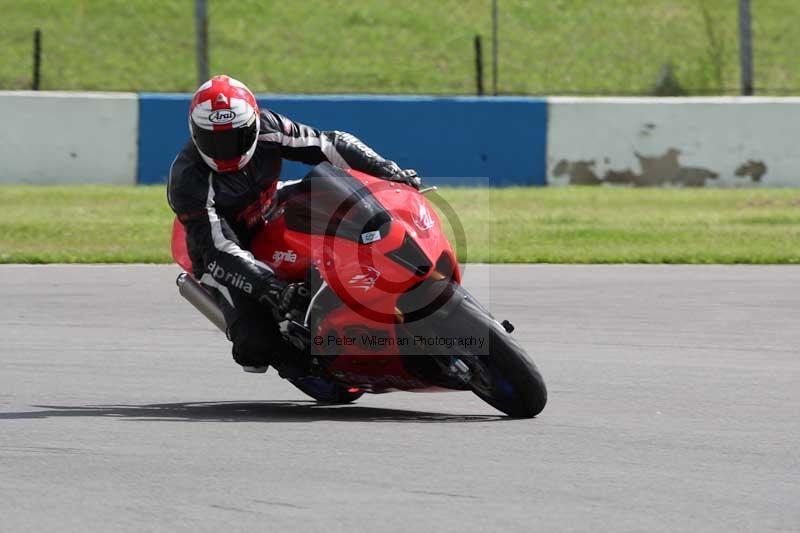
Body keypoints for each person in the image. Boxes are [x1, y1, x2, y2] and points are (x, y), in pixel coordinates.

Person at [167, 75, 420, 373]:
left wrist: (386, 170)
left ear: (253, 124)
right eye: (215, 140)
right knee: (255, 343)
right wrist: (270, 288)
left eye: (236, 138)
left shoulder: (269, 128)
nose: (227, 150)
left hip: (269, 208)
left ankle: (386, 269)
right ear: (196, 135)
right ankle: (303, 363)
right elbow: (217, 249)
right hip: (222, 250)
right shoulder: (188, 180)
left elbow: (329, 143)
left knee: (332, 190)